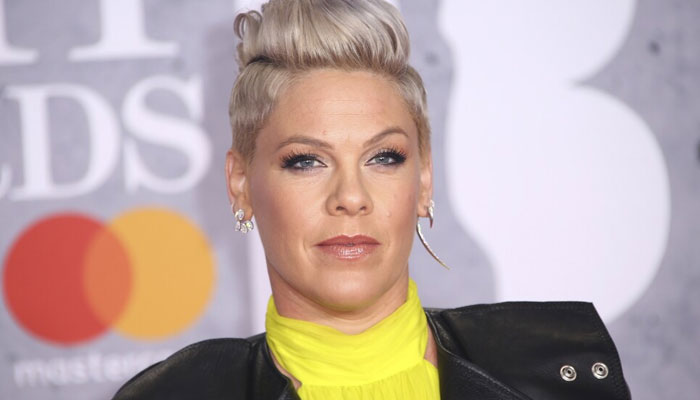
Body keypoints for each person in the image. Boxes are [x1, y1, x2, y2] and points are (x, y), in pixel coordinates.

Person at [113, 0, 631, 399]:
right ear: (241, 185)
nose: (351, 198)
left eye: (383, 157)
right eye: (306, 161)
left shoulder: (559, 370)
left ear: (424, 180)